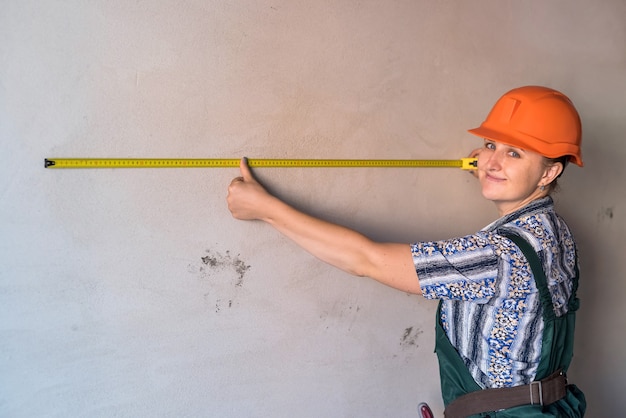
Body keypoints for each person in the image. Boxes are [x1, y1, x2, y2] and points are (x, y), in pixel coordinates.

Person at [227, 86, 586, 417]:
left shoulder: (497, 256)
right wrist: (499, 169)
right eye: (490, 145)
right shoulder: (553, 230)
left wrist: (266, 210)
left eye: (515, 153)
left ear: (548, 172)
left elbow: (364, 259)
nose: (491, 162)